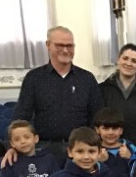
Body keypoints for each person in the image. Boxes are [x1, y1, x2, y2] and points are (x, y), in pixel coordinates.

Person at [11, 26, 103, 166]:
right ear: (48, 45)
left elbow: (97, 116)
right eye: (60, 45)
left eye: (69, 46)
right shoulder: (34, 78)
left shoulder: (87, 79)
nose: (65, 50)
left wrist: (96, 146)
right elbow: (22, 115)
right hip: (43, 149)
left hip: (80, 151)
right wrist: (13, 146)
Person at [93, 107, 136, 177]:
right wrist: (98, 162)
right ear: (97, 130)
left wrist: (131, 157)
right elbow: (86, 173)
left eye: (114, 128)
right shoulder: (94, 149)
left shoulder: (129, 146)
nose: (110, 132)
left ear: (121, 130)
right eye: (105, 128)